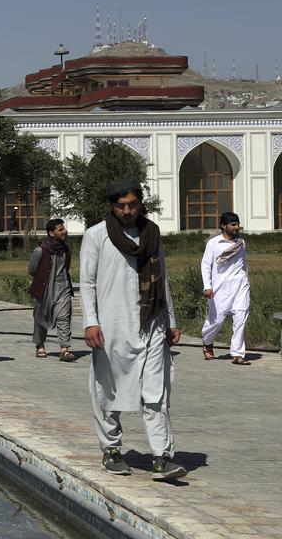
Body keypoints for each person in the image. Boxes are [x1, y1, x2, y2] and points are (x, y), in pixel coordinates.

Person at [80, 178, 186, 481]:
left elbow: (161, 279)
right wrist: (91, 321)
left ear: (141, 204)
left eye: (132, 205)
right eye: (120, 205)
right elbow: (87, 283)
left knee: (156, 392)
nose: (127, 211)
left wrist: (172, 321)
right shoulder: (96, 235)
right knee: (108, 390)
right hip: (111, 327)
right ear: (112, 206)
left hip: (151, 322)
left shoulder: (151, 234)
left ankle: (161, 457)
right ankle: (111, 449)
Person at [199, 211, 251, 365]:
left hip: (241, 286)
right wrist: (207, 286)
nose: (237, 227)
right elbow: (206, 264)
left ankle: (237, 354)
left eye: (237, 224)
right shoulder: (214, 243)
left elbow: (243, 263)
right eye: (233, 224)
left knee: (241, 317)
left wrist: (244, 279)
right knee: (217, 320)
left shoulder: (241, 243)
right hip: (220, 287)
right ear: (223, 226)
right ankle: (207, 342)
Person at [28, 218, 75, 361]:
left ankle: (65, 349)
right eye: (60, 230)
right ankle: (40, 345)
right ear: (51, 233)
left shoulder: (66, 249)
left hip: (63, 288)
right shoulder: (40, 250)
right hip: (45, 290)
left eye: (63, 228)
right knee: (41, 318)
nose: (64, 231)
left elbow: (66, 268)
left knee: (64, 317)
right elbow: (32, 270)